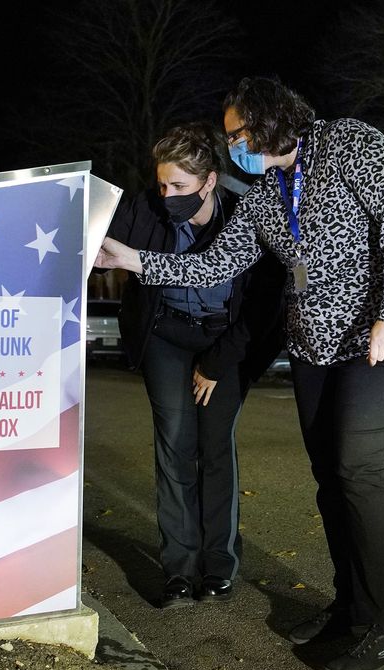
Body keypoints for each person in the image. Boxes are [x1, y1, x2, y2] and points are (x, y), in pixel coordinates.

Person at [96, 77, 384, 670]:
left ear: (272, 121)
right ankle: (352, 609)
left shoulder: (351, 145)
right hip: (317, 347)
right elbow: (212, 263)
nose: (233, 147)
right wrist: (131, 260)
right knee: (330, 478)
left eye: (238, 135)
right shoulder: (263, 198)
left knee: (361, 470)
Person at [104, 122, 286, 610]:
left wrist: (218, 363)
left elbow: (264, 307)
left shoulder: (250, 215)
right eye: (163, 184)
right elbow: (98, 243)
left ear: (208, 182)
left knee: (214, 447)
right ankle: (180, 570)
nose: (168, 196)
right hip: (166, 335)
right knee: (174, 448)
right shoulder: (144, 209)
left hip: (225, 341)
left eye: (180, 186)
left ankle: (220, 565)